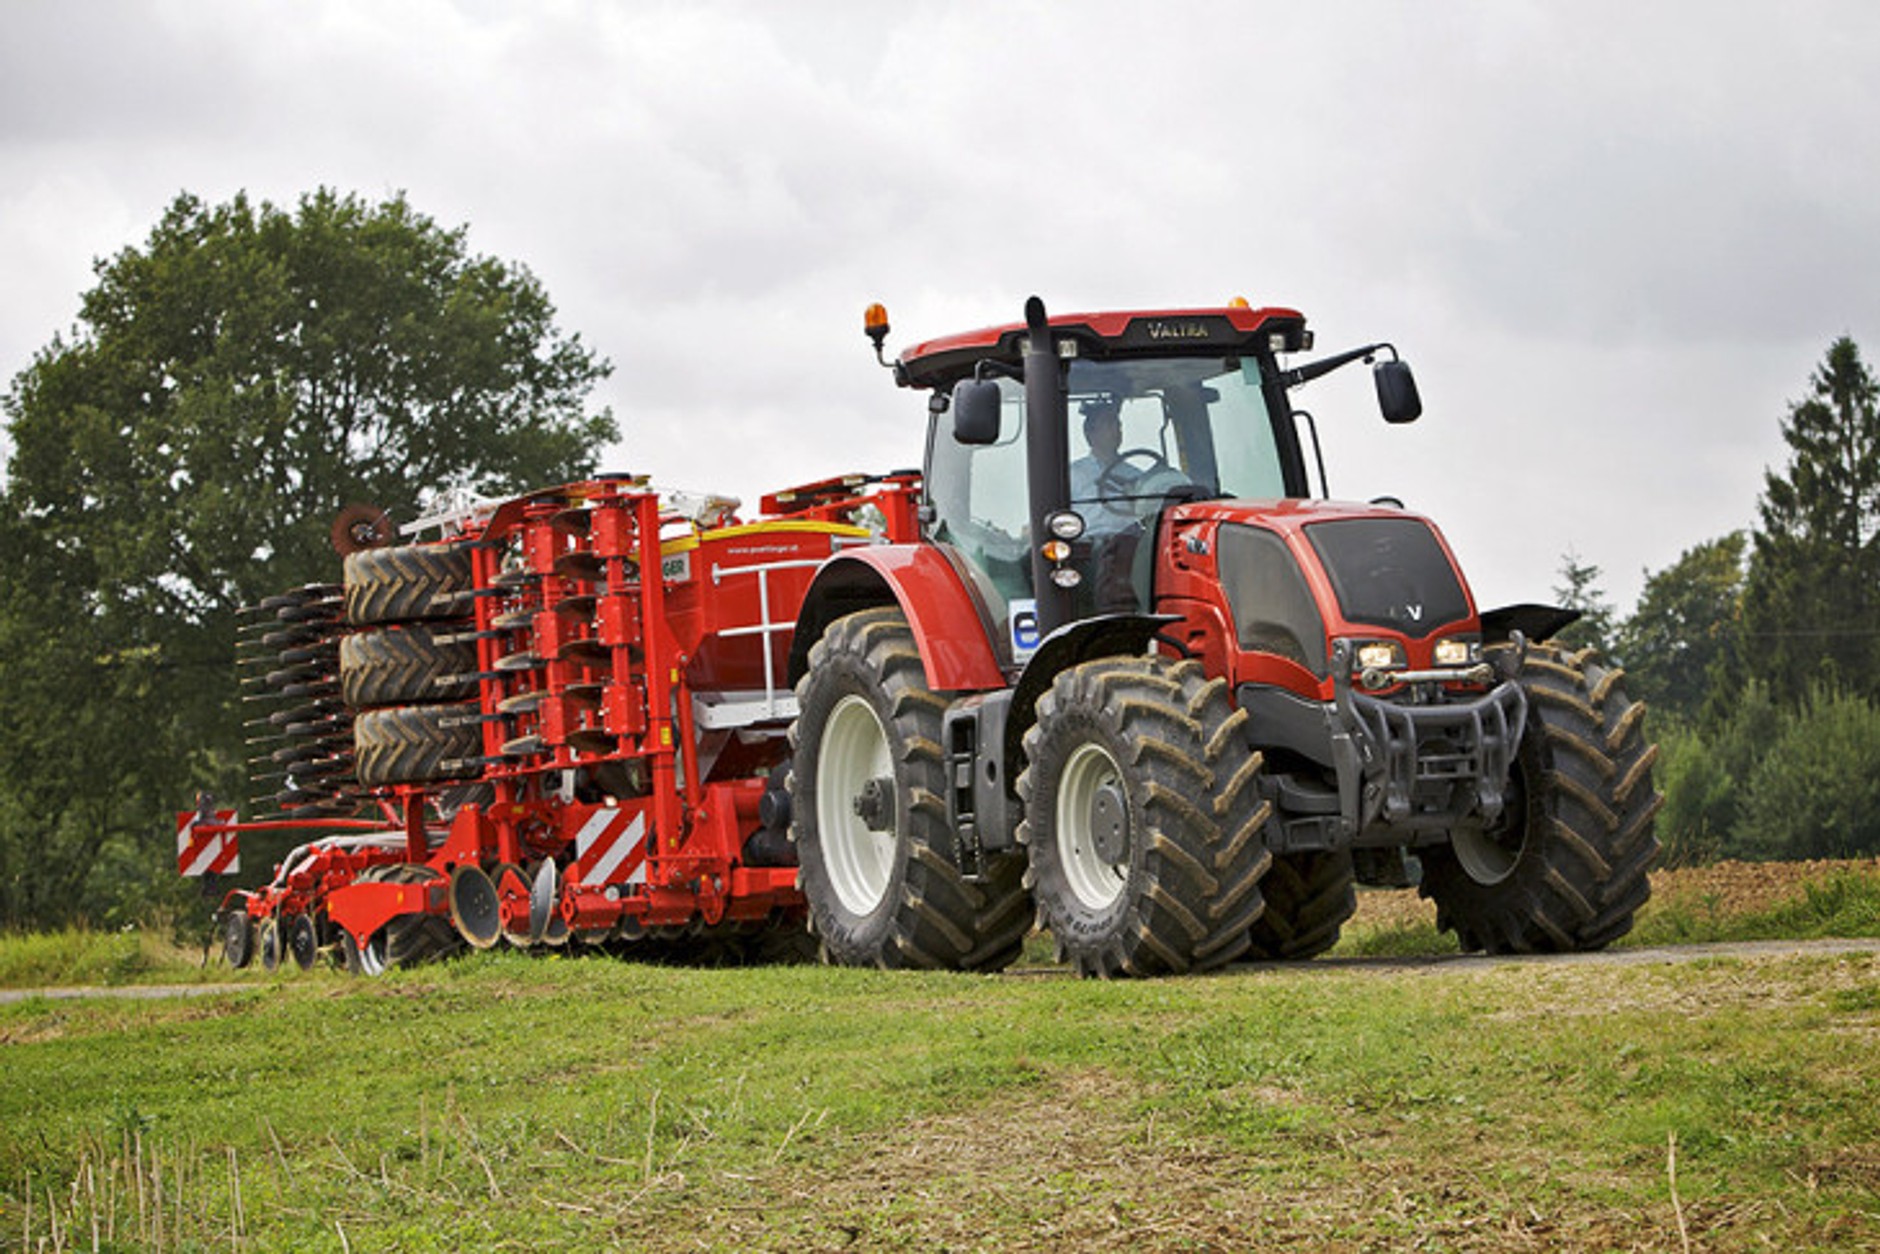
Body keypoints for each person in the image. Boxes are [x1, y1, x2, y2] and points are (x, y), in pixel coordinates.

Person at [1068, 398, 1139, 537]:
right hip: (1087, 547)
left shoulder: (1136, 475)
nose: (1116, 431)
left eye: (1118, 425)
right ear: (1090, 434)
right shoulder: (1072, 475)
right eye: (1108, 425)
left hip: (1130, 545)